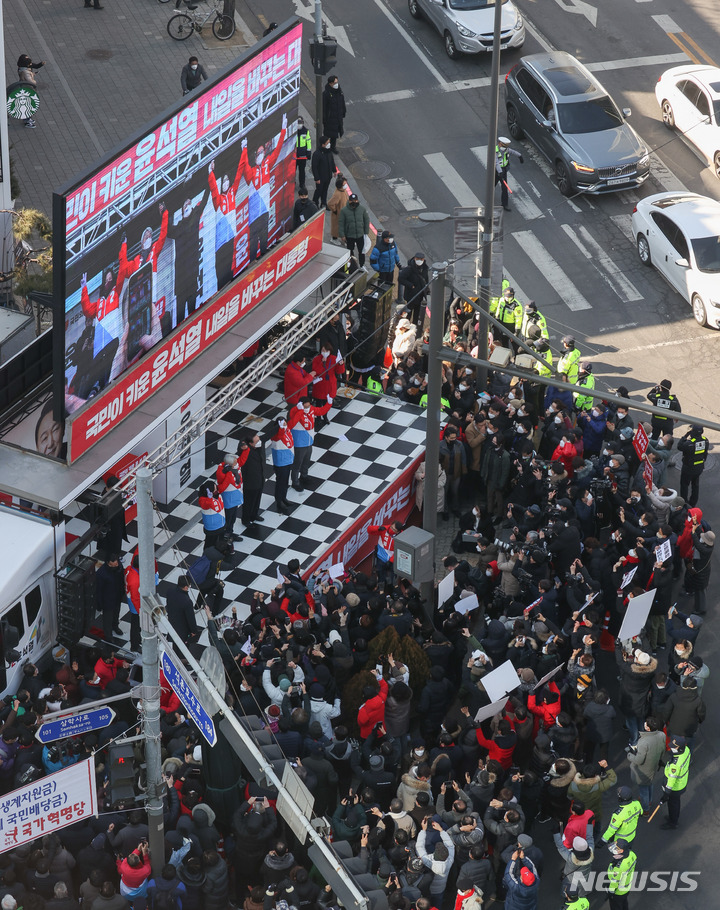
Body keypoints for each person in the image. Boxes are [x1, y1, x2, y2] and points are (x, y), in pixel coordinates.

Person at [237, 113, 288, 262]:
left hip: (265, 211)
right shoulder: (252, 172)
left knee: (265, 244)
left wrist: (283, 129)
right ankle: (252, 267)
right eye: (258, 153)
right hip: (253, 217)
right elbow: (244, 166)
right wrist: (244, 149)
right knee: (253, 248)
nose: (260, 155)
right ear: (255, 156)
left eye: (262, 152)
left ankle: (265, 263)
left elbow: (278, 149)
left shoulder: (267, 164)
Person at [167, 185, 210, 322]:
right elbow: (168, 231)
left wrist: (209, 178)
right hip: (180, 279)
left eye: (189, 204)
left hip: (192, 274)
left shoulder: (195, 218)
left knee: (192, 312)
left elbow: (204, 201)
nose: (188, 206)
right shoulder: (178, 228)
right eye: (185, 205)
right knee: (179, 317)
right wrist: (165, 212)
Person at [208, 157, 243, 290]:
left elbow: (239, 173)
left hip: (231, 237)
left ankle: (230, 288)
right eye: (224, 181)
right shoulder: (219, 199)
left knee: (230, 268)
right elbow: (213, 189)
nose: (226, 183)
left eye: (227, 180)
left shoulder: (232, 193)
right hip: (220, 243)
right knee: (220, 271)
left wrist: (244, 150)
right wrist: (211, 172)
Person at [288, 395, 332, 491]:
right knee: (297, 463)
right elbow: (295, 421)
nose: (307, 408)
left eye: (308, 406)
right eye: (305, 407)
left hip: (309, 441)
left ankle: (304, 476)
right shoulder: (294, 411)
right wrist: (300, 411)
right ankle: (295, 482)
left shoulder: (311, 409)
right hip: (299, 443)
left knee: (306, 461)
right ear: (300, 405)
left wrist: (329, 403)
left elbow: (321, 411)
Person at [660, 734, 690, 829]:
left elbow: (671, 780)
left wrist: (666, 794)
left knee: (673, 804)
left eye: (674, 747)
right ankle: (673, 818)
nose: (671, 748)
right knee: (676, 802)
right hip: (682, 783)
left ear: (679, 748)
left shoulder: (675, 765)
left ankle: (672, 823)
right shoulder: (686, 750)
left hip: (675, 787)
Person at [95, 553, 125, 642]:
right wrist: (99, 604)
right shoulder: (101, 573)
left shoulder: (119, 567)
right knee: (107, 618)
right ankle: (108, 635)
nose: (116, 566)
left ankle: (115, 626)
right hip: (107, 600)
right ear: (108, 563)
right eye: (114, 565)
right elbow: (99, 590)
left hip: (117, 596)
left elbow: (121, 580)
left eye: (117, 564)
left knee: (116, 613)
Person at [677, 424, 708, 506]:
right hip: (699, 467)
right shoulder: (706, 441)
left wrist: (685, 435)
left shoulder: (689, 444)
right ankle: (693, 503)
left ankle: (684, 504)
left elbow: (679, 446)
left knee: (684, 485)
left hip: (688, 468)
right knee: (695, 485)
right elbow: (705, 454)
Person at [240, 432, 265, 528]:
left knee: (257, 499)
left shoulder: (257, 448)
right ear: (250, 443)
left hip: (259, 478)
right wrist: (243, 444)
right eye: (257, 441)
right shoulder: (245, 451)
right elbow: (240, 447)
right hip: (250, 482)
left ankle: (254, 515)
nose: (259, 442)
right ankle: (246, 520)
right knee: (248, 502)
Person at [270, 416, 294, 514]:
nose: (284, 424)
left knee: (285, 481)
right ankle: (279, 500)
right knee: (280, 482)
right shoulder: (276, 434)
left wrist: (283, 428)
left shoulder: (286, 430)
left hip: (287, 460)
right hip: (280, 462)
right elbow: (277, 437)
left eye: (285, 422)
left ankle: (284, 497)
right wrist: (280, 429)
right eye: (282, 423)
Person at [397, 253, 429, 327]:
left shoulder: (425, 268)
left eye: (421, 259)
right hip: (411, 295)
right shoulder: (409, 269)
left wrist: (426, 289)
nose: (419, 261)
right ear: (414, 259)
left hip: (420, 295)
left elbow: (426, 280)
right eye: (417, 259)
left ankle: (414, 328)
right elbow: (401, 279)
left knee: (417, 315)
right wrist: (410, 285)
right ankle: (405, 326)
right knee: (408, 313)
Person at [165, 575, 199, 645]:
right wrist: (194, 631)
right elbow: (190, 618)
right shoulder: (187, 602)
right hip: (182, 630)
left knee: (174, 646)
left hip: (172, 622)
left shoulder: (170, 591)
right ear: (186, 587)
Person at [338, 194, 369, 267]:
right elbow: (341, 223)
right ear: (349, 201)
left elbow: (366, 221)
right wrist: (342, 235)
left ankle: (362, 265)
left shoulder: (362, 209)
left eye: (355, 200)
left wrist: (366, 232)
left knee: (362, 251)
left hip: (360, 234)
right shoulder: (344, 210)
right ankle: (352, 266)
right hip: (349, 235)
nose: (354, 202)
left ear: (357, 200)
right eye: (352, 200)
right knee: (350, 251)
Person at [606, 840, 636, 910]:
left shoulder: (619, 868)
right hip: (627, 886)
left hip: (618, 891)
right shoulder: (632, 854)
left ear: (621, 853)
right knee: (624, 903)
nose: (613, 854)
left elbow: (614, 882)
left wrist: (610, 892)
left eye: (616, 851)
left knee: (616, 906)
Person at [495, 137, 524, 211]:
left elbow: (512, 151)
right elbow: (496, 163)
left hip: (503, 171)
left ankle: (504, 204)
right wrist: (499, 172)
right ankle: (489, 196)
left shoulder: (506, 149)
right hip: (496, 171)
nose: (506, 148)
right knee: (492, 184)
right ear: (500, 144)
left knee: (504, 188)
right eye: (504, 146)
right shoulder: (495, 151)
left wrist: (519, 156)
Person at [17, 54, 44, 129]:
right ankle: (27, 121)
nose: (31, 63)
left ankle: (28, 119)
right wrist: (34, 80)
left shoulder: (21, 68)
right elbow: (31, 82)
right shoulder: (25, 72)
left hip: (24, 88)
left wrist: (32, 74)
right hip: (27, 90)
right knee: (27, 105)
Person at [198, 480, 225, 548]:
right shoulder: (203, 499)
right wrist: (209, 499)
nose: (216, 490)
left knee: (218, 544)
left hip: (221, 524)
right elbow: (205, 506)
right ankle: (206, 558)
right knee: (209, 545)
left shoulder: (217, 495)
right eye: (214, 489)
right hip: (212, 528)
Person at [322, 75, 346, 152]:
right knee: (328, 134)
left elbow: (342, 102)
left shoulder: (339, 91)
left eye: (337, 82)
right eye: (335, 83)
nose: (337, 84)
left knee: (335, 134)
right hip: (330, 118)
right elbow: (324, 107)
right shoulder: (326, 94)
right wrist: (324, 118)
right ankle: (325, 146)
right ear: (330, 83)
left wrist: (343, 112)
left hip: (337, 117)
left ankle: (333, 147)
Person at [311, 136, 336, 207]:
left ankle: (324, 203)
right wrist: (317, 178)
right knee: (319, 190)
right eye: (327, 143)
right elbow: (314, 167)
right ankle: (315, 203)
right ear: (323, 144)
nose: (329, 144)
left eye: (329, 142)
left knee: (325, 190)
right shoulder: (317, 154)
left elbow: (332, 161)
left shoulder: (329, 152)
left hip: (328, 176)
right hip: (321, 177)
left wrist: (334, 170)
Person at [327, 176, 349, 241]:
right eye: (344, 184)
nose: (346, 185)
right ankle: (334, 239)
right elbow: (330, 203)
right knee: (336, 227)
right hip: (339, 214)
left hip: (344, 212)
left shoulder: (343, 191)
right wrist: (335, 210)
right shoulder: (338, 194)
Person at [295, 116, 312, 186]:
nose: (299, 124)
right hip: (295, 154)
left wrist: (309, 152)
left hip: (302, 154)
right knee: (292, 171)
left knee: (302, 170)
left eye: (300, 123)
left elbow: (308, 142)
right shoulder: (293, 131)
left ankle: (302, 184)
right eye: (298, 123)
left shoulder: (306, 131)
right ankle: (292, 183)